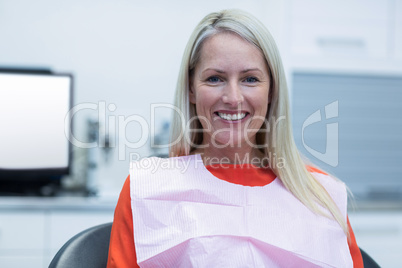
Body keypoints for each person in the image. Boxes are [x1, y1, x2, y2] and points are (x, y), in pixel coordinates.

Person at [107, 9, 363, 267]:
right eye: (215, 78)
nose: (233, 98)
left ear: (271, 91)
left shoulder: (320, 194)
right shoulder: (149, 189)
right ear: (191, 89)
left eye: (250, 79)